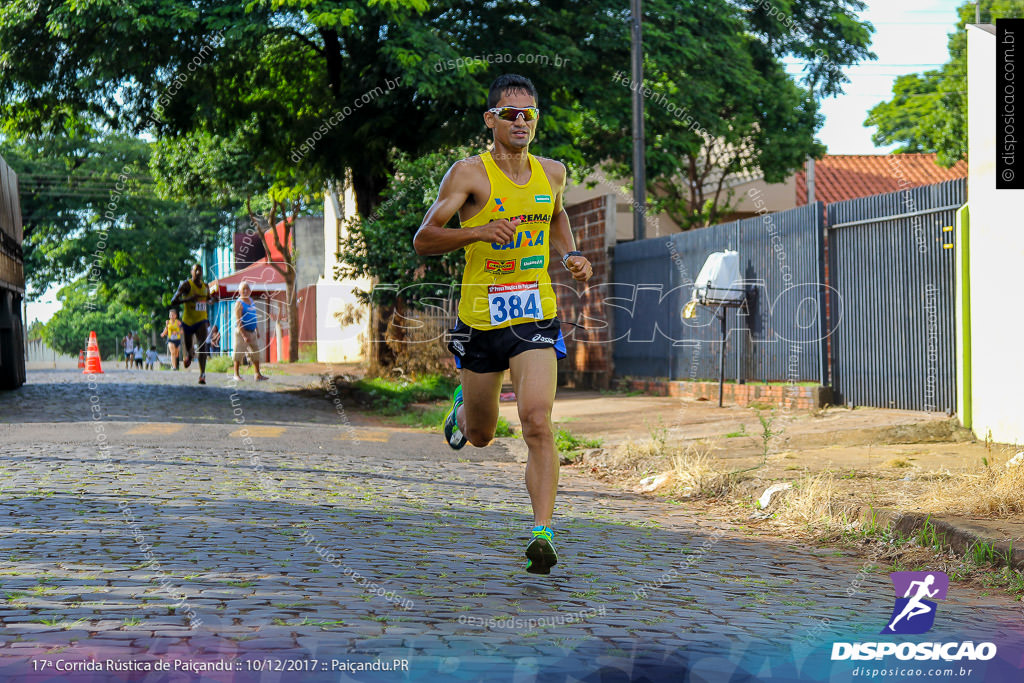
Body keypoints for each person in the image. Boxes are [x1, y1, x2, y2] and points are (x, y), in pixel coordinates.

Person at [413, 74, 593, 575]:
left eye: (529, 113)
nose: (521, 121)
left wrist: (572, 253)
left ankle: (543, 533)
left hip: (535, 310)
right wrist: (477, 232)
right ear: (491, 119)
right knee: (482, 435)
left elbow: (555, 215)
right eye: (510, 113)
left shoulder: (553, 172)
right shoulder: (469, 175)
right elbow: (424, 239)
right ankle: (462, 411)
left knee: (537, 420)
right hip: (479, 318)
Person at [170, 263, 211, 385]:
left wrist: (213, 300)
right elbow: (173, 301)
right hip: (188, 321)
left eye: (200, 270)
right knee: (188, 347)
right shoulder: (186, 285)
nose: (198, 272)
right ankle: (189, 354)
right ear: (191, 272)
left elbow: (209, 298)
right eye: (196, 270)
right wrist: (188, 299)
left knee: (202, 347)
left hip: (201, 320)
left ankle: (202, 374)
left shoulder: (205, 286)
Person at [232, 282, 268, 382]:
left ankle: (257, 374)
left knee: (255, 353)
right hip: (242, 332)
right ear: (239, 291)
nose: (245, 291)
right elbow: (238, 320)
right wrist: (244, 335)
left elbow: (253, 316)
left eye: (247, 289)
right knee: (238, 353)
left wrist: (257, 330)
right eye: (243, 289)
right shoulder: (239, 303)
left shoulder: (251, 300)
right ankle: (236, 374)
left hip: (252, 332)